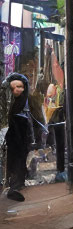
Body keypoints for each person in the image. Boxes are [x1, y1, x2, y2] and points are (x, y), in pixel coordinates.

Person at [0, 72, 46, 201]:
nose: (17, 90)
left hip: (23, 138)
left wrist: (36, 140)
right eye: (13, 87)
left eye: (19, 86)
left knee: (20, 162)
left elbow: (37, 119)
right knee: (9, 162)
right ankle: (10, 186)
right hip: (8, 138)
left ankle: (15, 186)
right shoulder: (4, 100)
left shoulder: (29, 100)